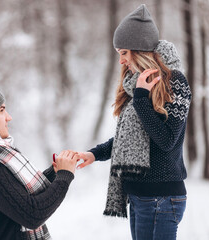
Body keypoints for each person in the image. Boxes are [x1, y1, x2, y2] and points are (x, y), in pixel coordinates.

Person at [75, 4, 192, 240]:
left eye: (124, 53)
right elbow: (130, 139)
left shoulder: (175, 82)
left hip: (161, 197)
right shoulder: (137, 84)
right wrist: (94, 154)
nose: (121, 61)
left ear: (140, 50)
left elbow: (167, 140)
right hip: (139, 196)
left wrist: (141, 98)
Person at [0, 87, 77, 240]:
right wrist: (64, 176)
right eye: (1, 110)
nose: (9, 117)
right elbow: (33, 215)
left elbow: (12, 195)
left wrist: (54, 173)